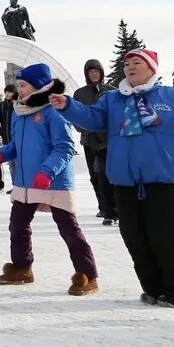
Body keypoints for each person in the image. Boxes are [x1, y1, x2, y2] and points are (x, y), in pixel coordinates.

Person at [51, 48, 174, 307]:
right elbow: (92, 119)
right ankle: (153, 288)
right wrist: (68, 106)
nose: (130, 67)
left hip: (165, 180)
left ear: (151, 68)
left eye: (137, 62)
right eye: (127, 63)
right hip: (126, 182)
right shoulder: (113, 100)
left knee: (164, 237)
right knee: (133, 237)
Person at [0, 64, 98, 295]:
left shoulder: (53, 111)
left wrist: (47, 171)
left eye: (23, 85)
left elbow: (65, 147)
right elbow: (18, 145)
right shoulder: (18, 113)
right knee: (18, 226)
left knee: (68, 229)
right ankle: (22, 268)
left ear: (38, 86)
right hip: (25, 182)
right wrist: (4, 152)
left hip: (53, 181)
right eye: (18, 85)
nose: (19, 90)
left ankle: (88, 275)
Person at [73, 59, 117, 224]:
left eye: (96, 71)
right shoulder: (79, 93)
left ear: (101, 73)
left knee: (109, 174)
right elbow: (75, 114)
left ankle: (113, 208)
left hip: (108, 140)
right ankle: (103, 207)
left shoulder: (111, 91)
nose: (93, 74)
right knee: (95, 175)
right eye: (90, 72)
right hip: (89, 140)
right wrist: (82, 128)